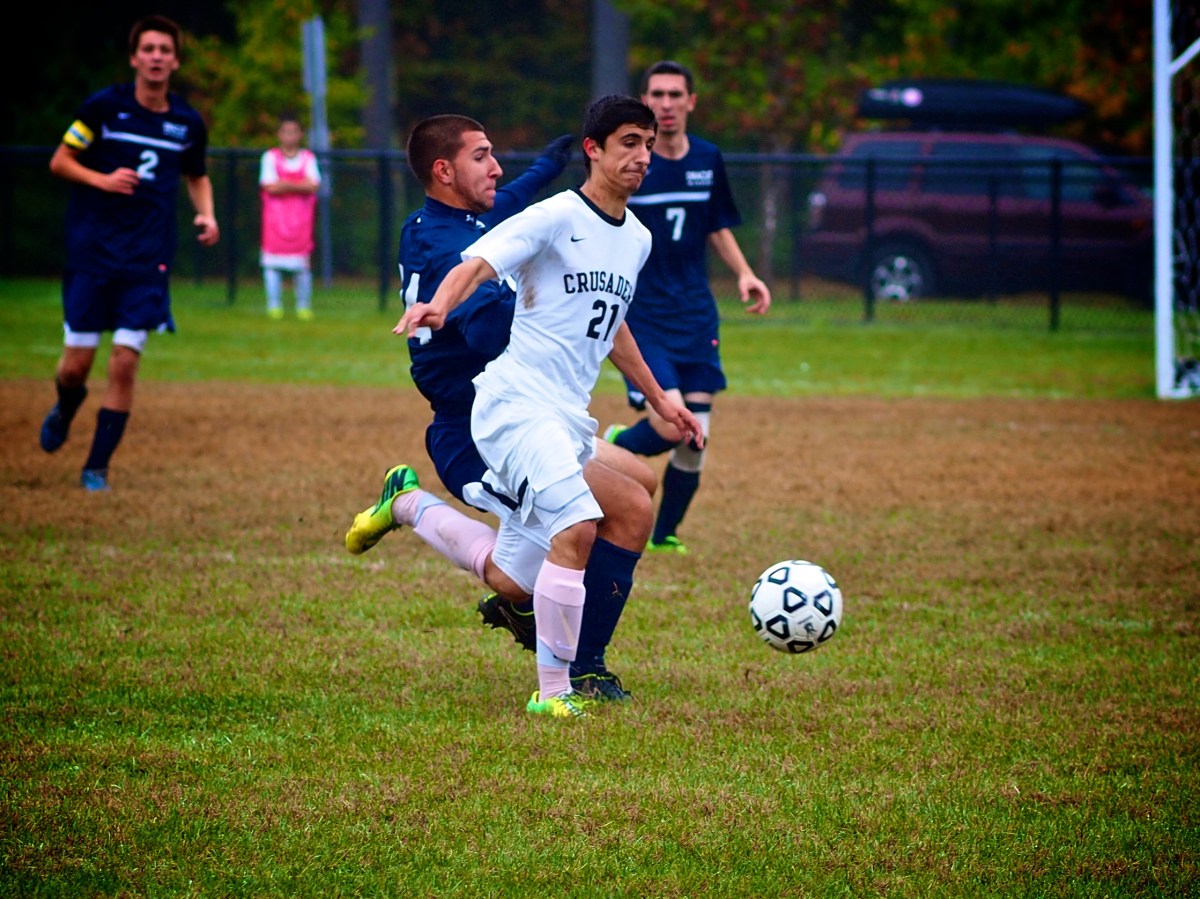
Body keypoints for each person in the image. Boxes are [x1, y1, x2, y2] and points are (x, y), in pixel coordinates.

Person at [396, 95, 704, 719]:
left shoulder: (636, 239)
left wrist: (661, 400)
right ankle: (565, 684)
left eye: (648, 145)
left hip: (566, 415)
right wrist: (441, 306)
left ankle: (409, 505)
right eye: (629, 143)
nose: (642, 156)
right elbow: (476, 264)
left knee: (512, 577)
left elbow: (612, 325)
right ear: (593, 149)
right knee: (586, 521)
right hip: (516, 405)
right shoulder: (556, 215)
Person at [345, 114, 656, 703]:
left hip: (540, 412)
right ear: (444, 172)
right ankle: (580, 663)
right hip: (481, 426)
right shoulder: (440, 243)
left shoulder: (479, 215)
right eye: (482, 156)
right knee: (611, 516)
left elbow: (520, 199)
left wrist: (550, 164)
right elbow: (490, 328)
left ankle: (419, 511)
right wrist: (558, 303)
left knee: (638, 482)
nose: (497, 169)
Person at [38, 15, 219, 492]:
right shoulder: (103, 109)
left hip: (147, 260)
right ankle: (66, 407)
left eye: (165, 50)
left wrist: (207, 215)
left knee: (124, 361)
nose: (157, 57)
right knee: (75, 367)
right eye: (149, 49)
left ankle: (96, 467)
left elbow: (196, 175)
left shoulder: (186, 123)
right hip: (92, 255)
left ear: (175, 61)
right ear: (135, 58)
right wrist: (102, 180)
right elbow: (60, 161)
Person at [605, 60, 771, 553]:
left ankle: (664, 535)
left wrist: (744, 273)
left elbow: (716, 224)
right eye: (657, 94)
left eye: (676, 94)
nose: (666, 103)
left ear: (691, 102)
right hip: (642, 315)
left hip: (696, 315)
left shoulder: (707, 158)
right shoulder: (632, 163)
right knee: (669, 422)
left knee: (696, 438)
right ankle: (611, 446)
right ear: (645, 101)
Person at [260, 115, 321, 320]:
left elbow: (313, 185)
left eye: (294, 131)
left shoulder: (308, 158)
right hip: (275, 221)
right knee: (272, 264)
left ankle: (303, 306)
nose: (290, 136)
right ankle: (274, 306)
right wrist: (299, 185)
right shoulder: (270, 157)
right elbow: (270, 186)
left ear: (300, 134)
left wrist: (284, 184)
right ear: (279, 134)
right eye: (286, 132)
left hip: (301, 221)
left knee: (302, 265)